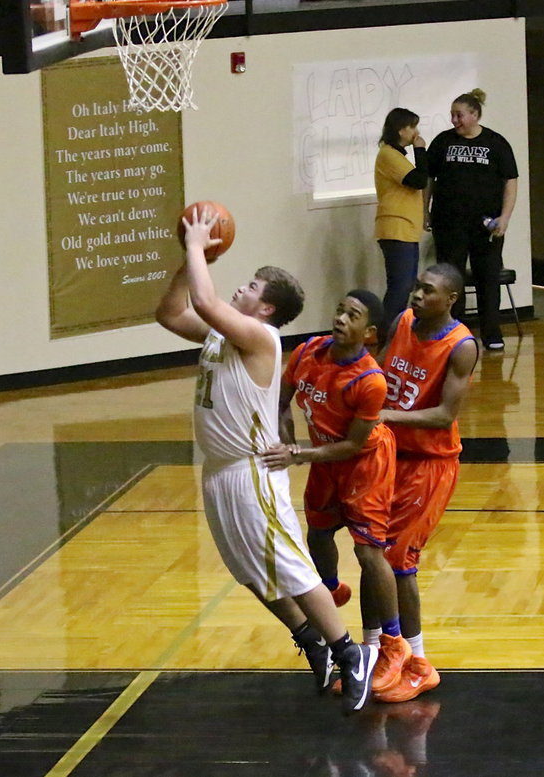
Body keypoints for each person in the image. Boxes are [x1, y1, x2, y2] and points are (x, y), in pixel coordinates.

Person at [155, 206, 377, 715]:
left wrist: (196, 245)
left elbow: (206, 300)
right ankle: (312, 640)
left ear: (267, 310)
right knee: (250, 572)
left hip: (253, 471)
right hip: (218, 471)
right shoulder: (222, 333)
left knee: (293, 569)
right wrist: (185, 261)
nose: (242, 288)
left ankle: (352, 653)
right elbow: (171, 313)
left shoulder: (261, 339)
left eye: (253, 287)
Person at [263, 289, 410, 697]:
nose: (342, 318)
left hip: (364, 463)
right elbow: (281, 401)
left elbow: (352, 445)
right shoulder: (308, 351)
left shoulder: (370, 381)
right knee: (318, 531)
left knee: (368, 552)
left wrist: (300, 455)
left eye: (353, 315)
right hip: (323, 457)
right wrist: (289, 440)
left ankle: (393, 643)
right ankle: (329, 589)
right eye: (340, 310)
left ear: (370, 333)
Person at [375, 263, 478, 702]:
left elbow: (445, 415)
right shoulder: (401, 322)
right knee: (371, 553)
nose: (417, 296)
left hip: (431, 463)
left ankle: (418, 661)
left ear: (451, 298)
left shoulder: (461, 345)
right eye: (416, 287)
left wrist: (387, 415)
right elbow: (378, 376)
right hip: (389, 455)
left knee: (399, 560)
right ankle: (380, 651)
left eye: (428, 291)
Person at [425, 88, 518, 351]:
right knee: (451, 279)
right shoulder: (442, 142)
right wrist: (425, 210)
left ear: (475, 115)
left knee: (487, 277)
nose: (454, 120)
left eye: (459, 115)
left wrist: (505, 217)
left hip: (484, 225)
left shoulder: (496, 143)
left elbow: (511, 181)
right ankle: (455, 332)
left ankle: (491, 333)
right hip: (449, 223)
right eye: (452, 115)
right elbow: (429, 180)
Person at [375, 108, 429, 332]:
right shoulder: (388, 154)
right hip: (395, 227)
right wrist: (420, 149)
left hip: (406, 228)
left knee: (405, 286)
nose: (416, 132)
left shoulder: (396, 155)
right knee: (400, 287)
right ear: (400, 129)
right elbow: (418, 179)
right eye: (412, 126)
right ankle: (388, 335)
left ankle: (395, 333)